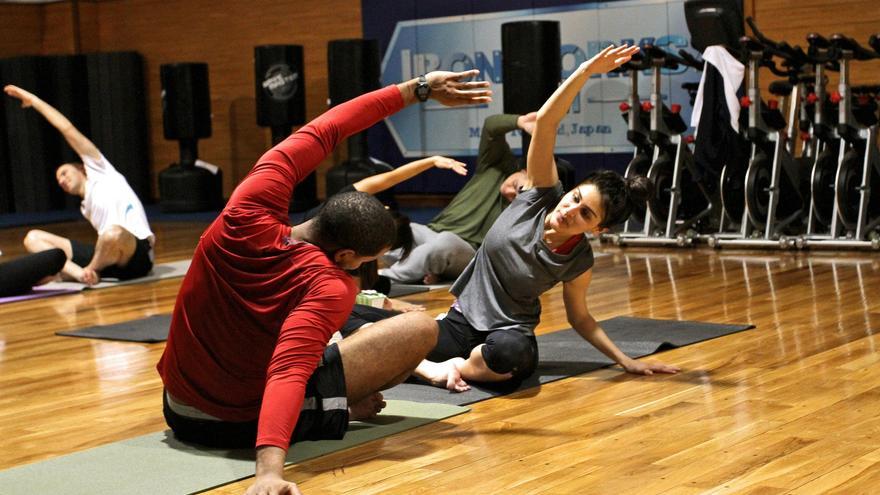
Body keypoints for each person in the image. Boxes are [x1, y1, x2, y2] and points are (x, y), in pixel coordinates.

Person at [156, 69, 491, 495]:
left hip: (176, 404)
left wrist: (417, 88)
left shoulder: (247, 206)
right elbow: (288, 370)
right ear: (347, 256)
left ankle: (335, 406)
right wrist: (269, 472)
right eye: (369, 261)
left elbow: (329, 126)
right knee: (420, 328)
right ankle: (333, 409)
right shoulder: (330, 285)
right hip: (232, 424)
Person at [407, 44, 680, 393]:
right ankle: (437, 365)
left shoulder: (578, 260)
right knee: (387, 338)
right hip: (461, 321)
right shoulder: (539, 193)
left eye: (585, 214)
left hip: (508, 333)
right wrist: (583, 73)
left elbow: (579, 317)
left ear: (598, 229)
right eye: (575, 198)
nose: (569, 210)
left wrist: (625, 360)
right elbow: (546, 123)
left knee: (515, 355)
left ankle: (454, 367)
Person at [3, 85, 155, 286]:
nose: (62, 180)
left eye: (64, 173)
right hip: (106, 255)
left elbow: (66, 128)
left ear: (81, 168)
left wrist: (34, 101)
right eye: (59, 180)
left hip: (135, 255)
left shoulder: (101, 171)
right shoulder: (85, 207)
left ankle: (88, 271)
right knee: (32, 238)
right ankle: (79, 273)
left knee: (113, 233)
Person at [380, 112, 536, 285]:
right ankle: (423, 268)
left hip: (469, 252)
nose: (512, 194)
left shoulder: (526, 211)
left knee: (444, 243)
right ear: (525, 172)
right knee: (400, 228)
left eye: (521, 197)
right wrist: (520, 122)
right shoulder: (494, 166)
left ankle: (383, 279)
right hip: (432, 233)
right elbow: (491, 126)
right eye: (520, 188)